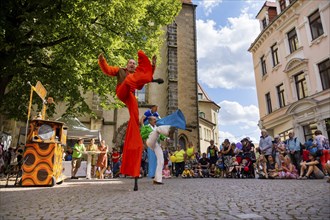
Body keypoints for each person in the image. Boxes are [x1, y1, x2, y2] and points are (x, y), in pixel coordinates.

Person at [98, 50, 163, 179]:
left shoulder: (137, 75)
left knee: (135, 115)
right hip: (122, 91)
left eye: (134, 63)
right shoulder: (120, 71)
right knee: (128, 80)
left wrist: (153, 66)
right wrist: (102, 60)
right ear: (127, 65)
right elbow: (108, 70)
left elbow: (145, 78)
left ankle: (134, 140)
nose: (132, 65)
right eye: (131, 63)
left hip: (131, 96)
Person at [140, 116, 175, 184]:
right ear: (150, 121)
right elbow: (142, 135)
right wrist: (150, 133)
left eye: (155, 120)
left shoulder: (157, 128)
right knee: (157, 130)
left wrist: (166, 139)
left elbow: (161, 136)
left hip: (156, 144)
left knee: (161, 160)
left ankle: (157, 179)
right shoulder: (146, 127)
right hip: (150, 141)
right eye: (154, 120)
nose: (155, 121)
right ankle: (169, 130)